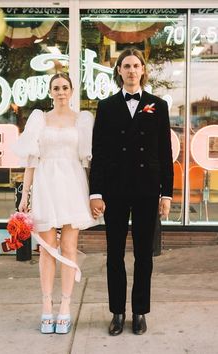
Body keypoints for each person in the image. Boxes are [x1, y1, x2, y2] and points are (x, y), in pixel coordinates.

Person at [89, 48, 174, 335]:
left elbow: (165, 153)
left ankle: (139, 312)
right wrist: (95, 193)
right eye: (126, 66)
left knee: (143, 255)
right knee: (114, 255)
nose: (131, 71)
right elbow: (98, 153)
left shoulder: (157, 105)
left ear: (143, 70)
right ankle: (117, 312)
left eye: (136, 66)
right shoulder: (107, 106)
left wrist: (167, 194)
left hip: (147, 190)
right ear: (119, 71)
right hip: (114, 190)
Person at [12, 72, 99, 334]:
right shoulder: (39, 119)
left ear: (72, 91)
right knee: (48, 248)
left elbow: (87, 163)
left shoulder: (83, 120)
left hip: (73, 184)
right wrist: (25, 195)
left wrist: (94, 194)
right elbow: (31, 160)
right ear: (51, 92)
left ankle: (65, 307)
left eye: (65, 87)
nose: (61, 91)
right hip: (46, 184)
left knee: (69, 247)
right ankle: (46, 305)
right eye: (56, 87)